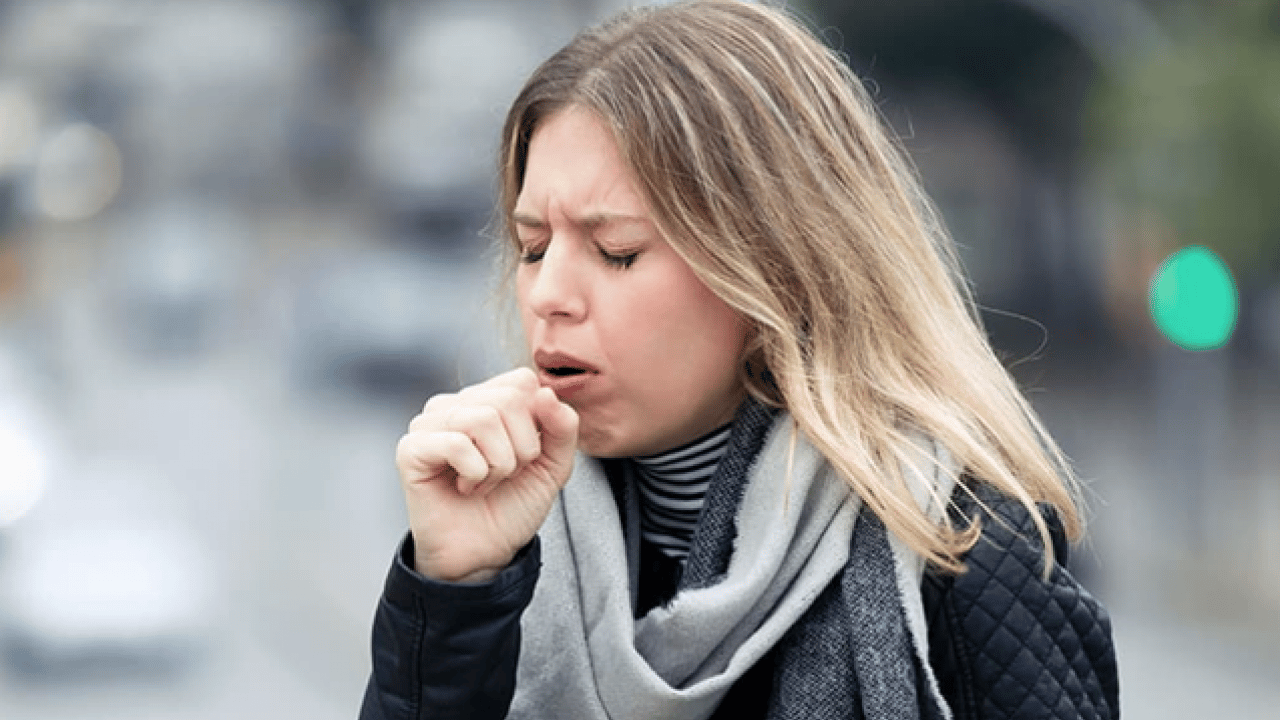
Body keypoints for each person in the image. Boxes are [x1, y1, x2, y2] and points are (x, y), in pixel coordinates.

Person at [358, 1, 1119, 719]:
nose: (549, 294)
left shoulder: (967, 552)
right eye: (533, 247)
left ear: (774, 269)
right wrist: (453, 592)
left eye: (616, 252)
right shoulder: (504, 546)